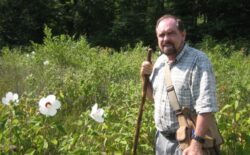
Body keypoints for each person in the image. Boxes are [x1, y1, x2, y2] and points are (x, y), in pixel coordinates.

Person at [140, 14, 219, 155]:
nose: (165, 39)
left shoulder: (199, 61)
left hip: (188, 142)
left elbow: (207, 107)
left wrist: (196, 144)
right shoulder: (160, 61)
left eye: (171, 33)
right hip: (161, 139)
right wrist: (143, 78)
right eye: (161, 35)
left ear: (183, 35)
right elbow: (153, 98)